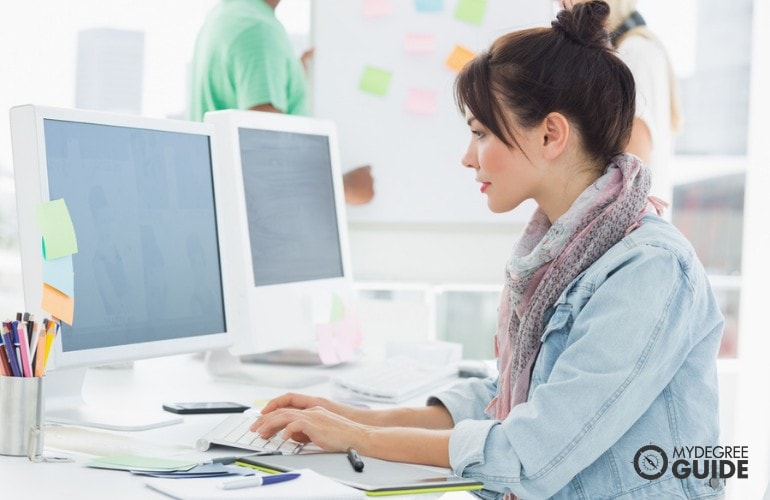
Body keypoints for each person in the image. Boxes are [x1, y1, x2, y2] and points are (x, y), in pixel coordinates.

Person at [249, 2, 724, 498]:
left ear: (550, 134)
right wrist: (350, 416)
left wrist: (362, 439)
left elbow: (529, 455)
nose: (467, 156)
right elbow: (506, 399)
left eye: (480, 133)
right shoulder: (559, 250)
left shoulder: (648, 269)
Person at [188, 0, 374, 205]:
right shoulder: (258, 28)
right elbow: (266, 152)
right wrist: (341, 187)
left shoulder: (226, 15)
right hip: (260, 215)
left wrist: (292, 84)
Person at [563, 0, 682, 205]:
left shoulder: (634, 52)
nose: (561, 3)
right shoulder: (629, 50)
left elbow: (632, 166)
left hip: (627, 225)